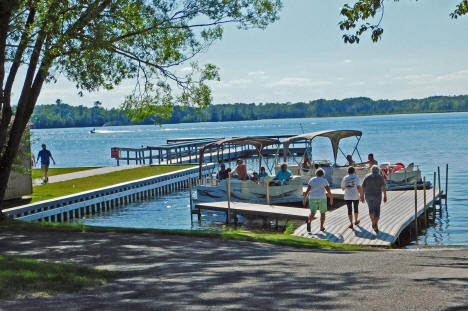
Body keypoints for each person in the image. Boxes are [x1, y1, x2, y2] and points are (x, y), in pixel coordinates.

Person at [362, 165, 387, 234]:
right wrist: (385, 195)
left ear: (371, 170)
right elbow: (383, 186)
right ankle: (374, 224)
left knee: (371, 209)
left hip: (368, 195)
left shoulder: (367, 176)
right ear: (378, 170)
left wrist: (361, 195)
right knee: (377, 210)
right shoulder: (380, 177)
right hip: (377, 196)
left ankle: (373, 223)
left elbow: (363, 186)